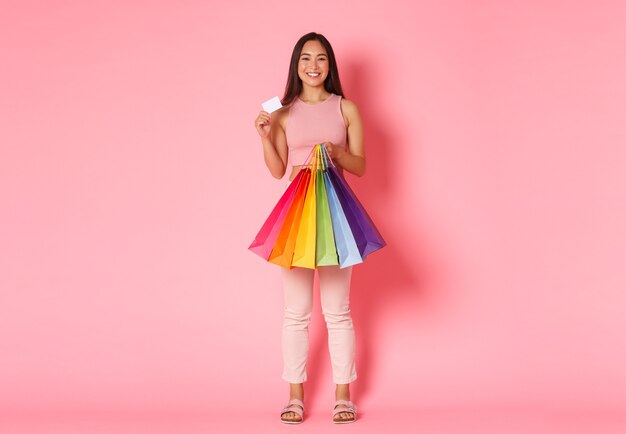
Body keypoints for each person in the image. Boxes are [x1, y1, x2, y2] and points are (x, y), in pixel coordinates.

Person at [254, 32, 366, 424]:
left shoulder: (346, 108)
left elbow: (361, 166)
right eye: (306, 59)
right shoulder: (283, 113)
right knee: (296, 312)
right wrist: (266, 137)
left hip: (335, 216)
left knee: (338, 312)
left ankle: (343, 396)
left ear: (330, 65)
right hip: (297, 215)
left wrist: (337, 153)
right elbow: (277, 170)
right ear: (296, 65)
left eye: (321, 59)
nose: (313, 66)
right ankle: (295, 396)